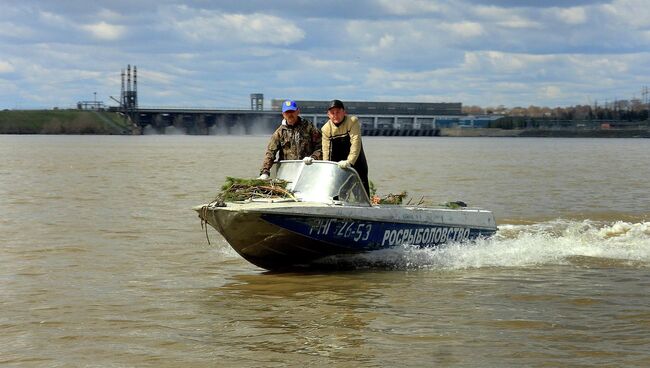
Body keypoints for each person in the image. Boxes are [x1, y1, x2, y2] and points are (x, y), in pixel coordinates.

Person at [258, 100, 322, 179]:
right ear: (283, 114)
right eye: (287, 112)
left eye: (292, 111)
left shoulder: (309, 128)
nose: (290, 114)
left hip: (308, 171)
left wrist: (313, 157)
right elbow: (270, 152)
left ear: (297, 111)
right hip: (286, 173)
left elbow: (321, 146)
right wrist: (265, 172)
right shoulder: (279, 133)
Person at [321, 99, 370, 196]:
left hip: (356, 162)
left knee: (361, 194)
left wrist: (349, 162)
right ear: (328, 115)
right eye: (332, 113)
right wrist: (327, 168)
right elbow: (326, 151)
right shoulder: (325, 129)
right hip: (338, 164)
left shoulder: (352, 121)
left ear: (344, 112)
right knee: (337, 193)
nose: (335, 115)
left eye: (338, 112)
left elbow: (355, 143)